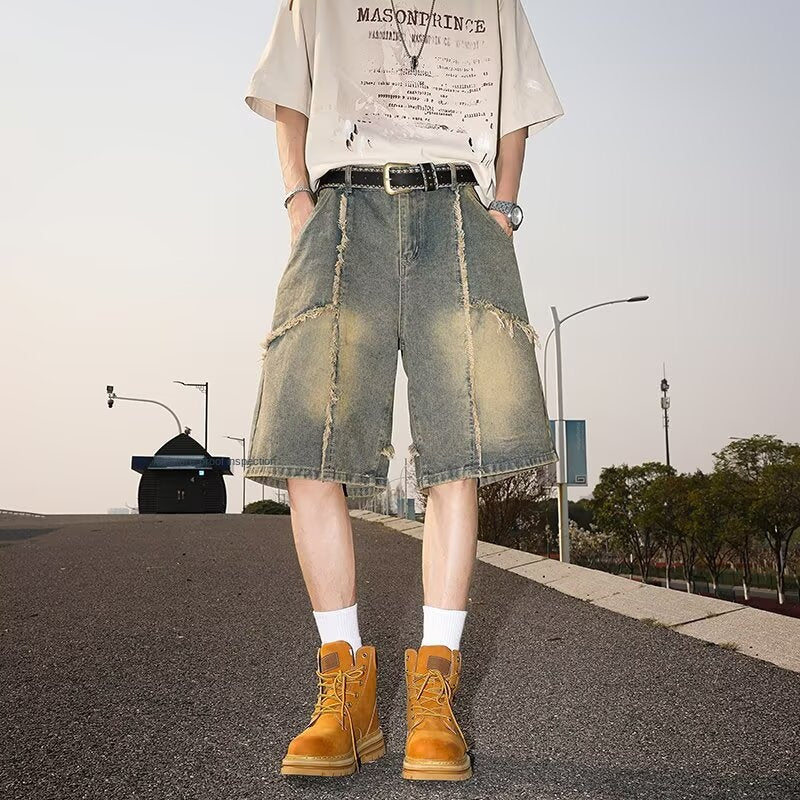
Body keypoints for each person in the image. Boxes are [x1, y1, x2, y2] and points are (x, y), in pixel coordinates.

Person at [242, 0, 564, 782]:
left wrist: (506, 206)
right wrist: (296, 200)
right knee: (309, 443)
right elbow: (288, 90)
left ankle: (434, 688)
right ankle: (344, 688)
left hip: (457, 208)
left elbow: (514, 101)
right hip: (341, 203)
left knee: (459, 445)